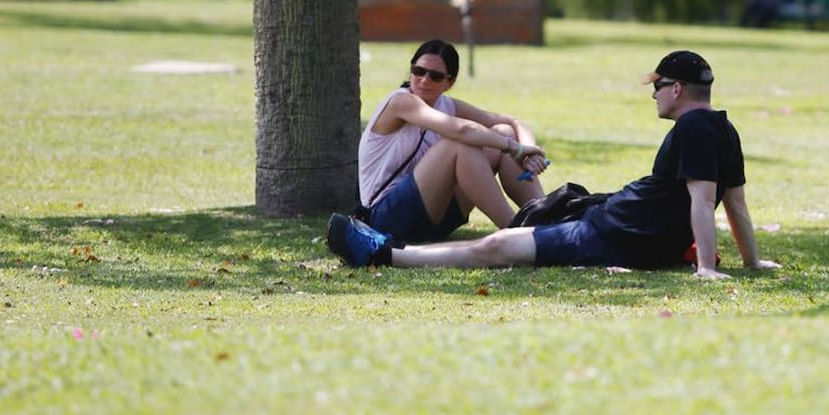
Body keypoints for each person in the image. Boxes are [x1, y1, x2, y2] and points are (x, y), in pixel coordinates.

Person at [327, 50, 780, 281]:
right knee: (528, 224)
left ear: (677, 89)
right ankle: (393, 248)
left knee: (498, 247)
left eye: (658, 86)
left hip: (610, 233)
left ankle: (383, 254)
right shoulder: (724, 128)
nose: (654, 94)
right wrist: (752, 262)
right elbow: (736, 204)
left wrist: (706, 268)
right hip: (612, 218)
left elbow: (704, 200)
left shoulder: (694, 128)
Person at [352, 38, 549, 245]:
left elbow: (514, 122)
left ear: (449, 83)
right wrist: (514, 148)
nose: (424, 80)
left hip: (434, 216)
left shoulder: (446, 105)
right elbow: (462, 130)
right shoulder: (401, 102)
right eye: (419, 71)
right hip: (385, 219)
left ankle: (545, 216)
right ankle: (517, 233)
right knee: (459, 144)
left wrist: (529, 151)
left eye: (435, 76)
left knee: (503, 131)